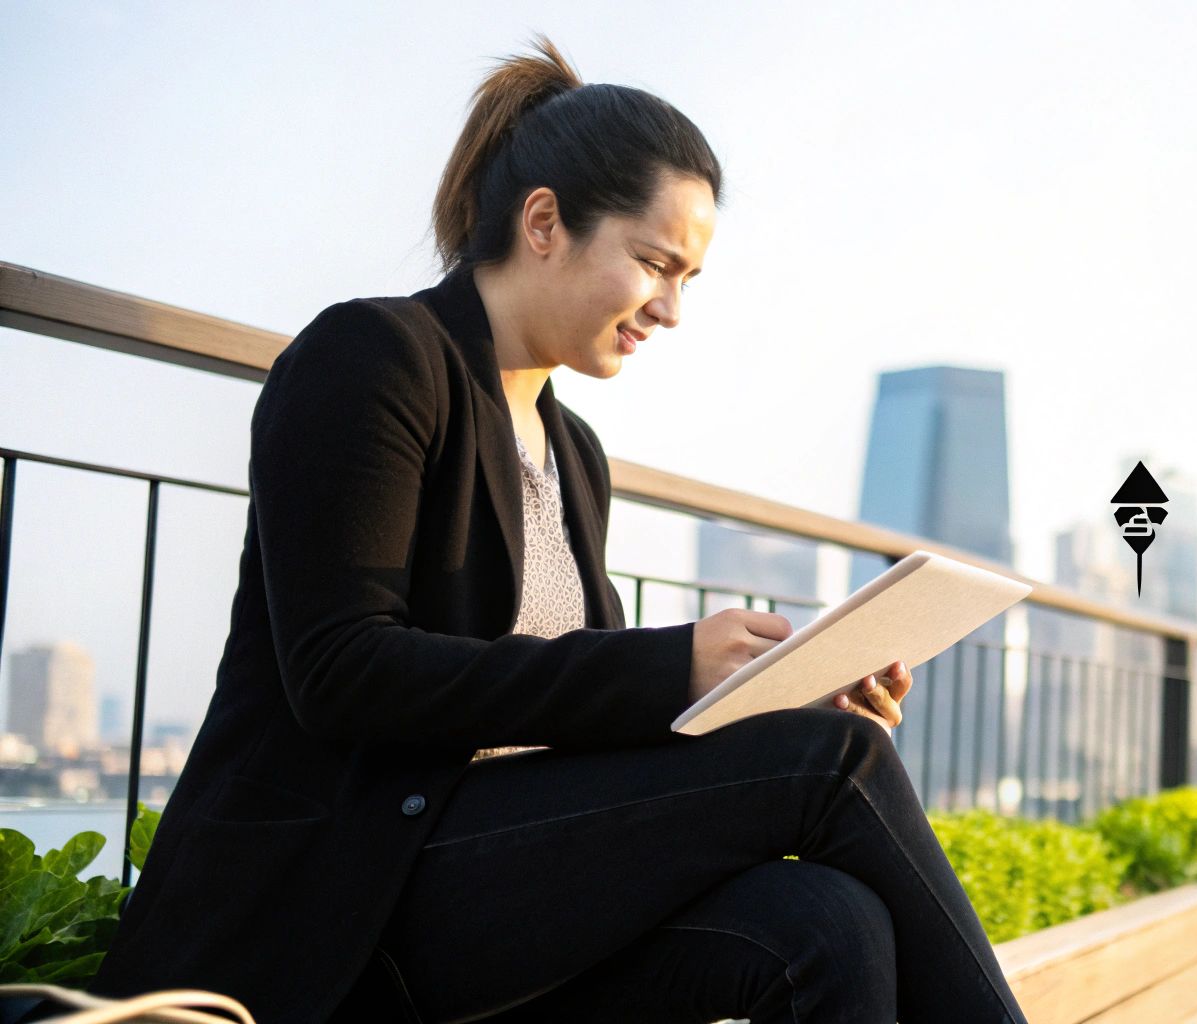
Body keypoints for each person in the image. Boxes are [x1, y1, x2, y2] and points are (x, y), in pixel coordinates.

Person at [84, 35, 1031, 1024]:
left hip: (497, 886)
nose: (669, 308)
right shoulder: (374, 358)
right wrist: (672, 666)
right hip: (349, 892)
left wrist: (767, 696)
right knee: (839, 765)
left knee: (827, 922)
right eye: (654, 263)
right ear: (545, 222)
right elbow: (340, 670)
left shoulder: (570, 450)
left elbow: (588, 704)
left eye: (688, 279)